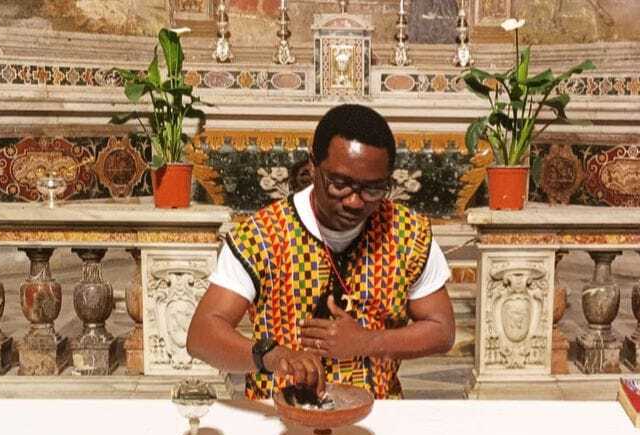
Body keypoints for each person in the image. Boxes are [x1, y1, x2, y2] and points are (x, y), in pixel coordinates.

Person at [186, 104, 455, 400]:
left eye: (373, 189)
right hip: (279, 414)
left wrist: (367, 341)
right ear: (312, 168)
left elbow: (442, 330)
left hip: (376, 414)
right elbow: (201, 335)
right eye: (339, 184)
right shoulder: (262, 236)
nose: (354, 202)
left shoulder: (406, 233)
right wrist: (272, 356)